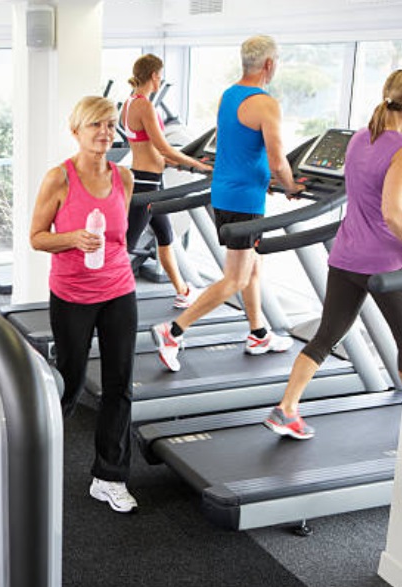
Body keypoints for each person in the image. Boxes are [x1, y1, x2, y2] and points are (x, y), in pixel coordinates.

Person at [264, 70, 402, 440]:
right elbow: (392, 212)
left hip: (346, 255)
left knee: (326, 336)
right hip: (385, 264)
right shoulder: (400, 149)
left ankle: (286, 408)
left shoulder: (359, 138)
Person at [152, 35, 302, 373]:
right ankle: (173, 332)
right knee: (235, 277)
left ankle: (258, 333)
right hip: (245, 200)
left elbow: (240, 149)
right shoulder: (266, 104)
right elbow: (278, 162)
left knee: (252, 266)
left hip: (225, 194)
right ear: (269, 64)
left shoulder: (229, 95)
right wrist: (291, 187)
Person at [30, 96, 138, 514]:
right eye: (95, 125)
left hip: (118, 290)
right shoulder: (59, 178)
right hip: (72, 294)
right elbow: (37, 237)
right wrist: (72, 239)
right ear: (75, 130)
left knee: (119, 385)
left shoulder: (123, 178)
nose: (105, 133)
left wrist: (110, 261)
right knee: (69, 382)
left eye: (110, 125)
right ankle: (35, 460)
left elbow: (119, 239)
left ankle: (109, 477)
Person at [122, 53, 212, 308]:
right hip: (147, 184)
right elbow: (163, 147)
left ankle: (183, 290)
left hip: (148, 179)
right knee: (126, 245)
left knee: (166, 236)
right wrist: (197, 164)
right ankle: (103, 297)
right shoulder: (144, 105)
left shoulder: (129, 103)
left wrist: (179, 163)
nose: (160, 80)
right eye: (160, 76)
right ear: (154, 76)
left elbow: (147, 147)